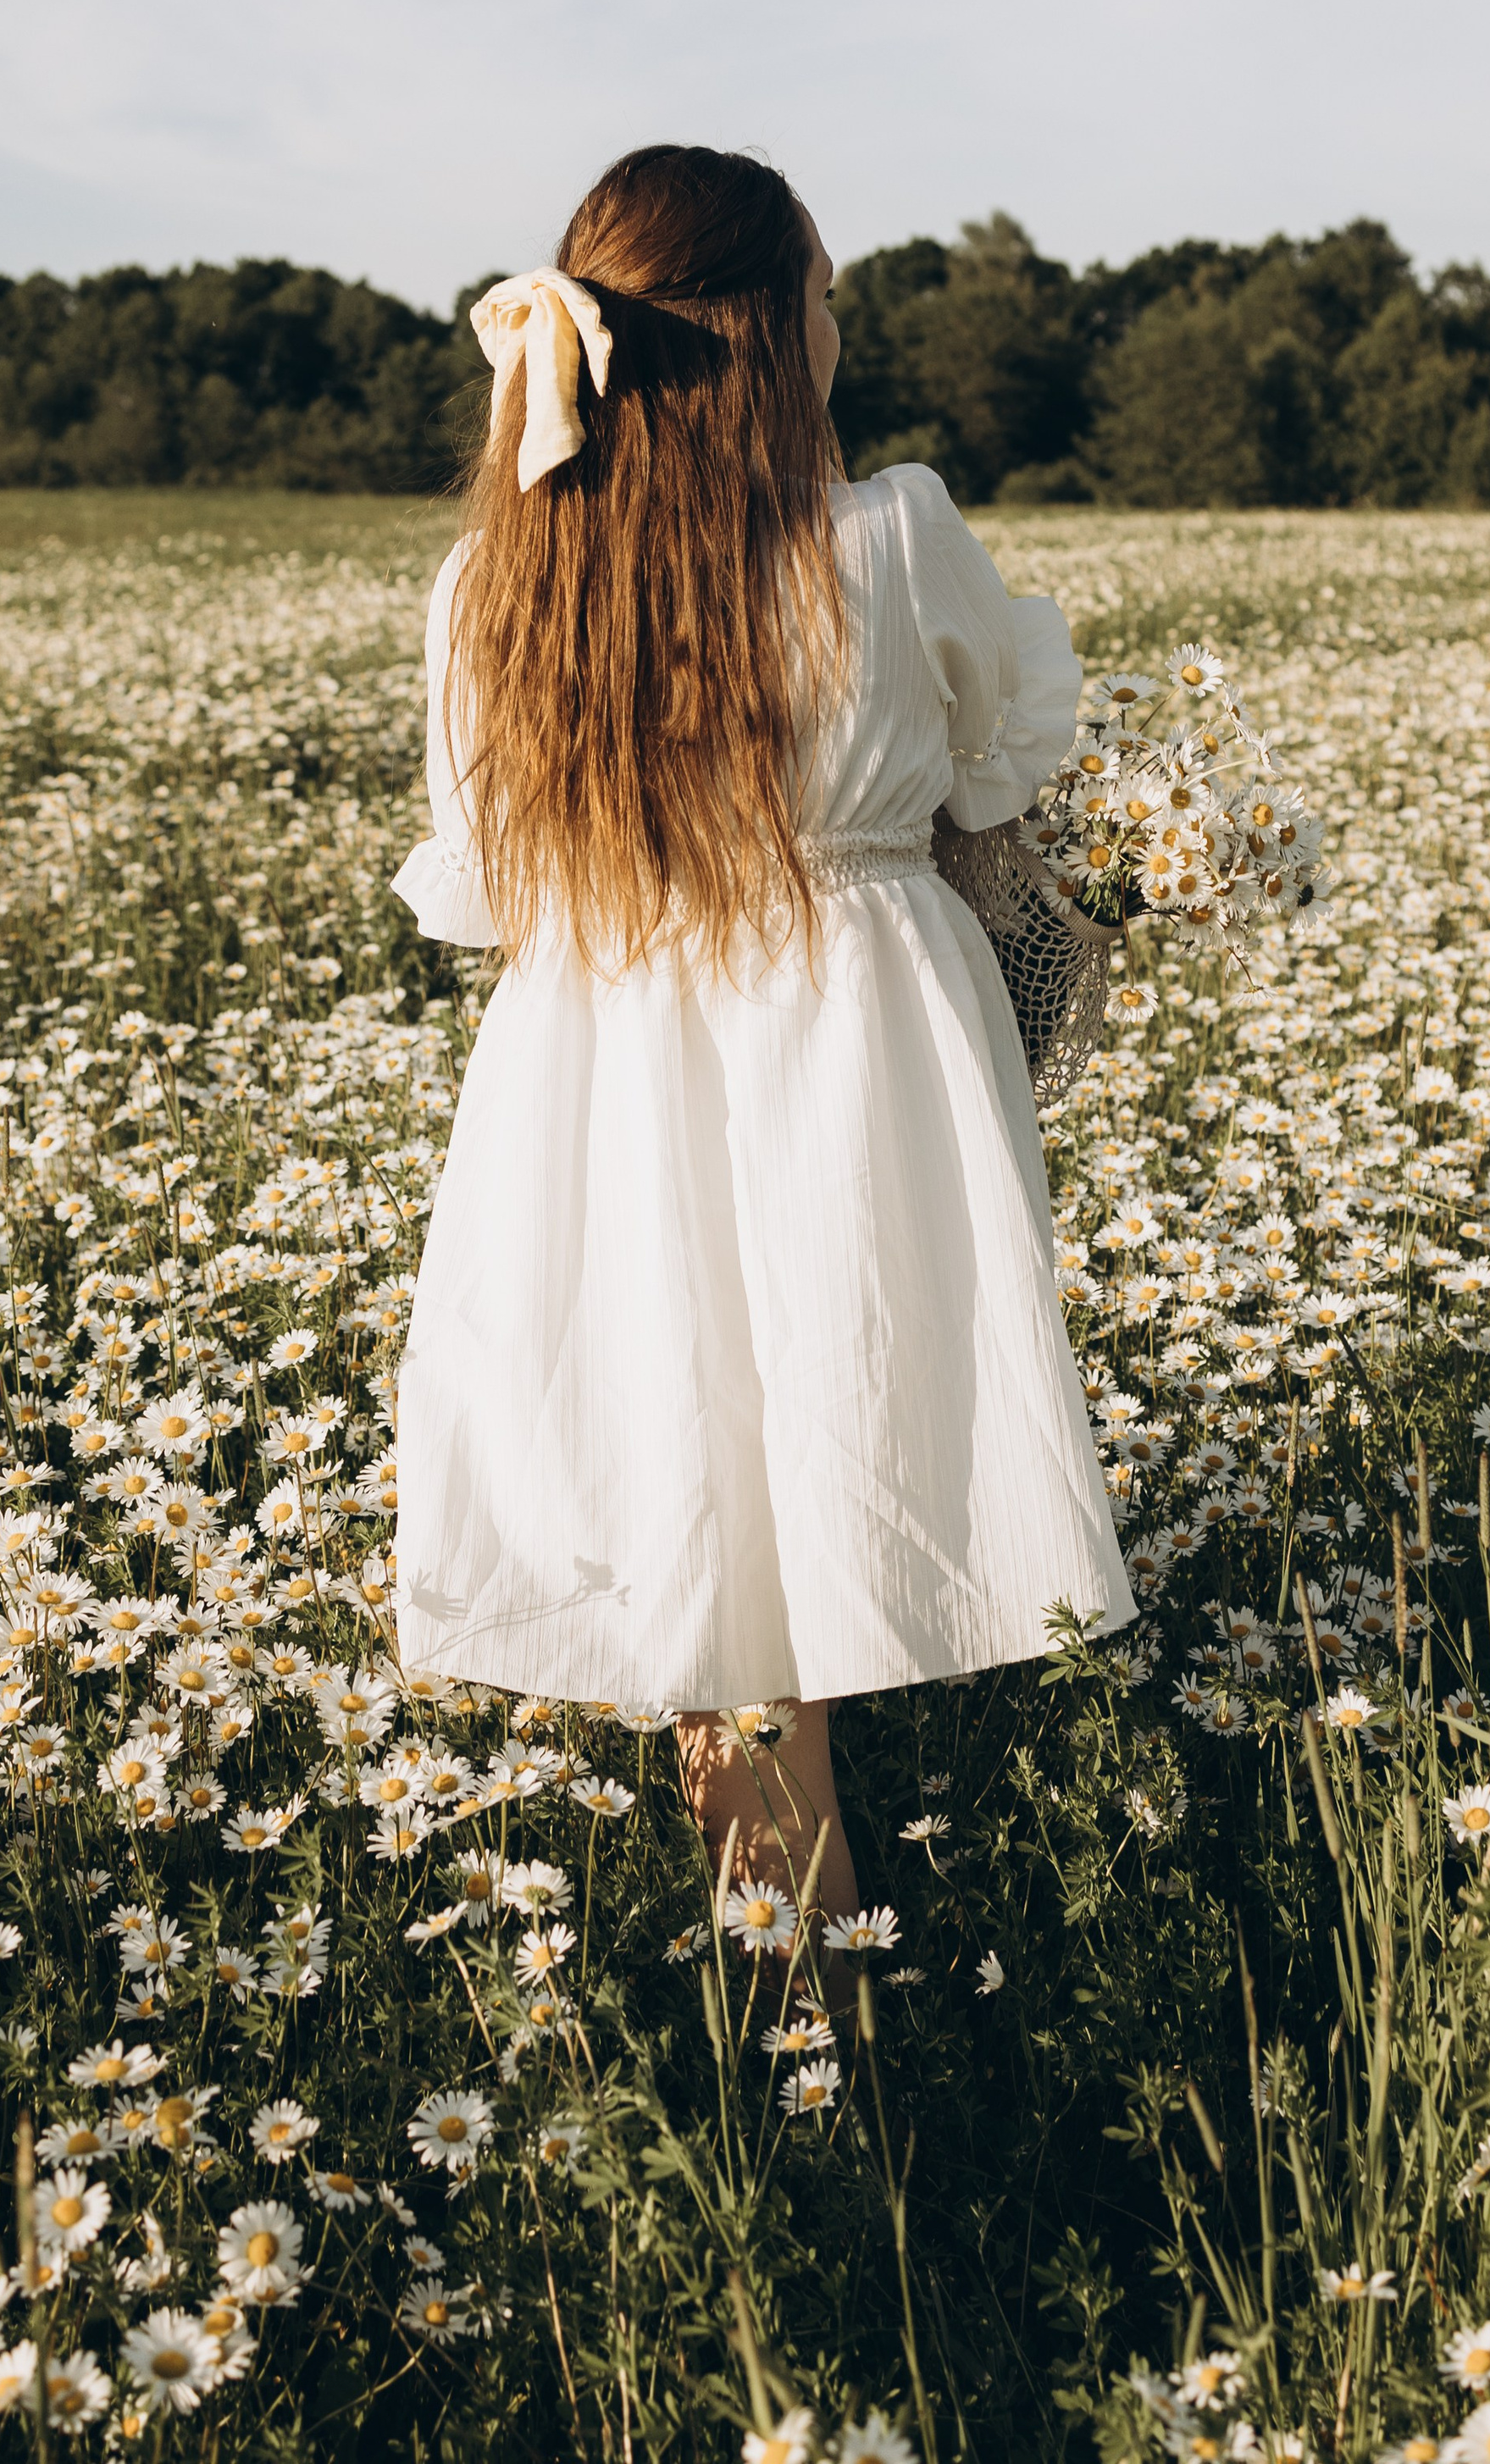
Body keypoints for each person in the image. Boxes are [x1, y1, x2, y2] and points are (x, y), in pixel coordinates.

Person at [390, 142, 1133, 1952]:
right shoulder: (884, 535)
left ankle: (790, 1947)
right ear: (758, 328)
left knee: (685, 1468)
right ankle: (815, 1980)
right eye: (820, 286)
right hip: (851, 1047)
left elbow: (486, 888)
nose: (838, 316)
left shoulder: (497, 586)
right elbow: (1002, 764)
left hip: (601, 1069)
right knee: (842, 1404)